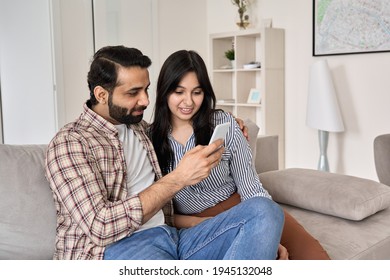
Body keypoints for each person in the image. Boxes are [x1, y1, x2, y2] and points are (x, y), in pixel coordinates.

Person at [45, 45, 284, 260]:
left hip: (174, 238)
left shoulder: (140, 129)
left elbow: (182, 124)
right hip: (122, 246)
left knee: (266, 212)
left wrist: (228, 120)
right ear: (101, 94)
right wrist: (179, 177)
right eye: (133, 93)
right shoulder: (70, 143)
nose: (146, 100)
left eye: (147, 90)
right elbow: (101, 226)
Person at [150, 49, 330, 260]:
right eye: (179, 92)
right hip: (194, 225)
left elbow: (251, 187)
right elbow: (157, 212)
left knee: (316, 259)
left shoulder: (224, 123)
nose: (188, 102)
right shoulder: (149, 139)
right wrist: (195, 223)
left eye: (196, 92)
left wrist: (268, 233)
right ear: (164, 92)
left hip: (243, 207)